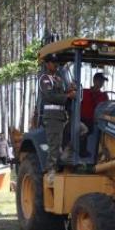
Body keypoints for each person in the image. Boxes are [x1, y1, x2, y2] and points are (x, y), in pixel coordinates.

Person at [40, 55, 76, 184]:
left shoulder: (59, 79)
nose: (56, 65)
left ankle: (65, 159)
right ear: (47, 64)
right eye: (53, 63)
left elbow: (63, 95)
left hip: (61, 116)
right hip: (52, 117)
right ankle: (51, 171)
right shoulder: (45, 79)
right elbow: (50, 96)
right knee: (54, 144)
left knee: (76, 133)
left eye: (57, 63)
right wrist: (67, 95)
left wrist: (70, 90)